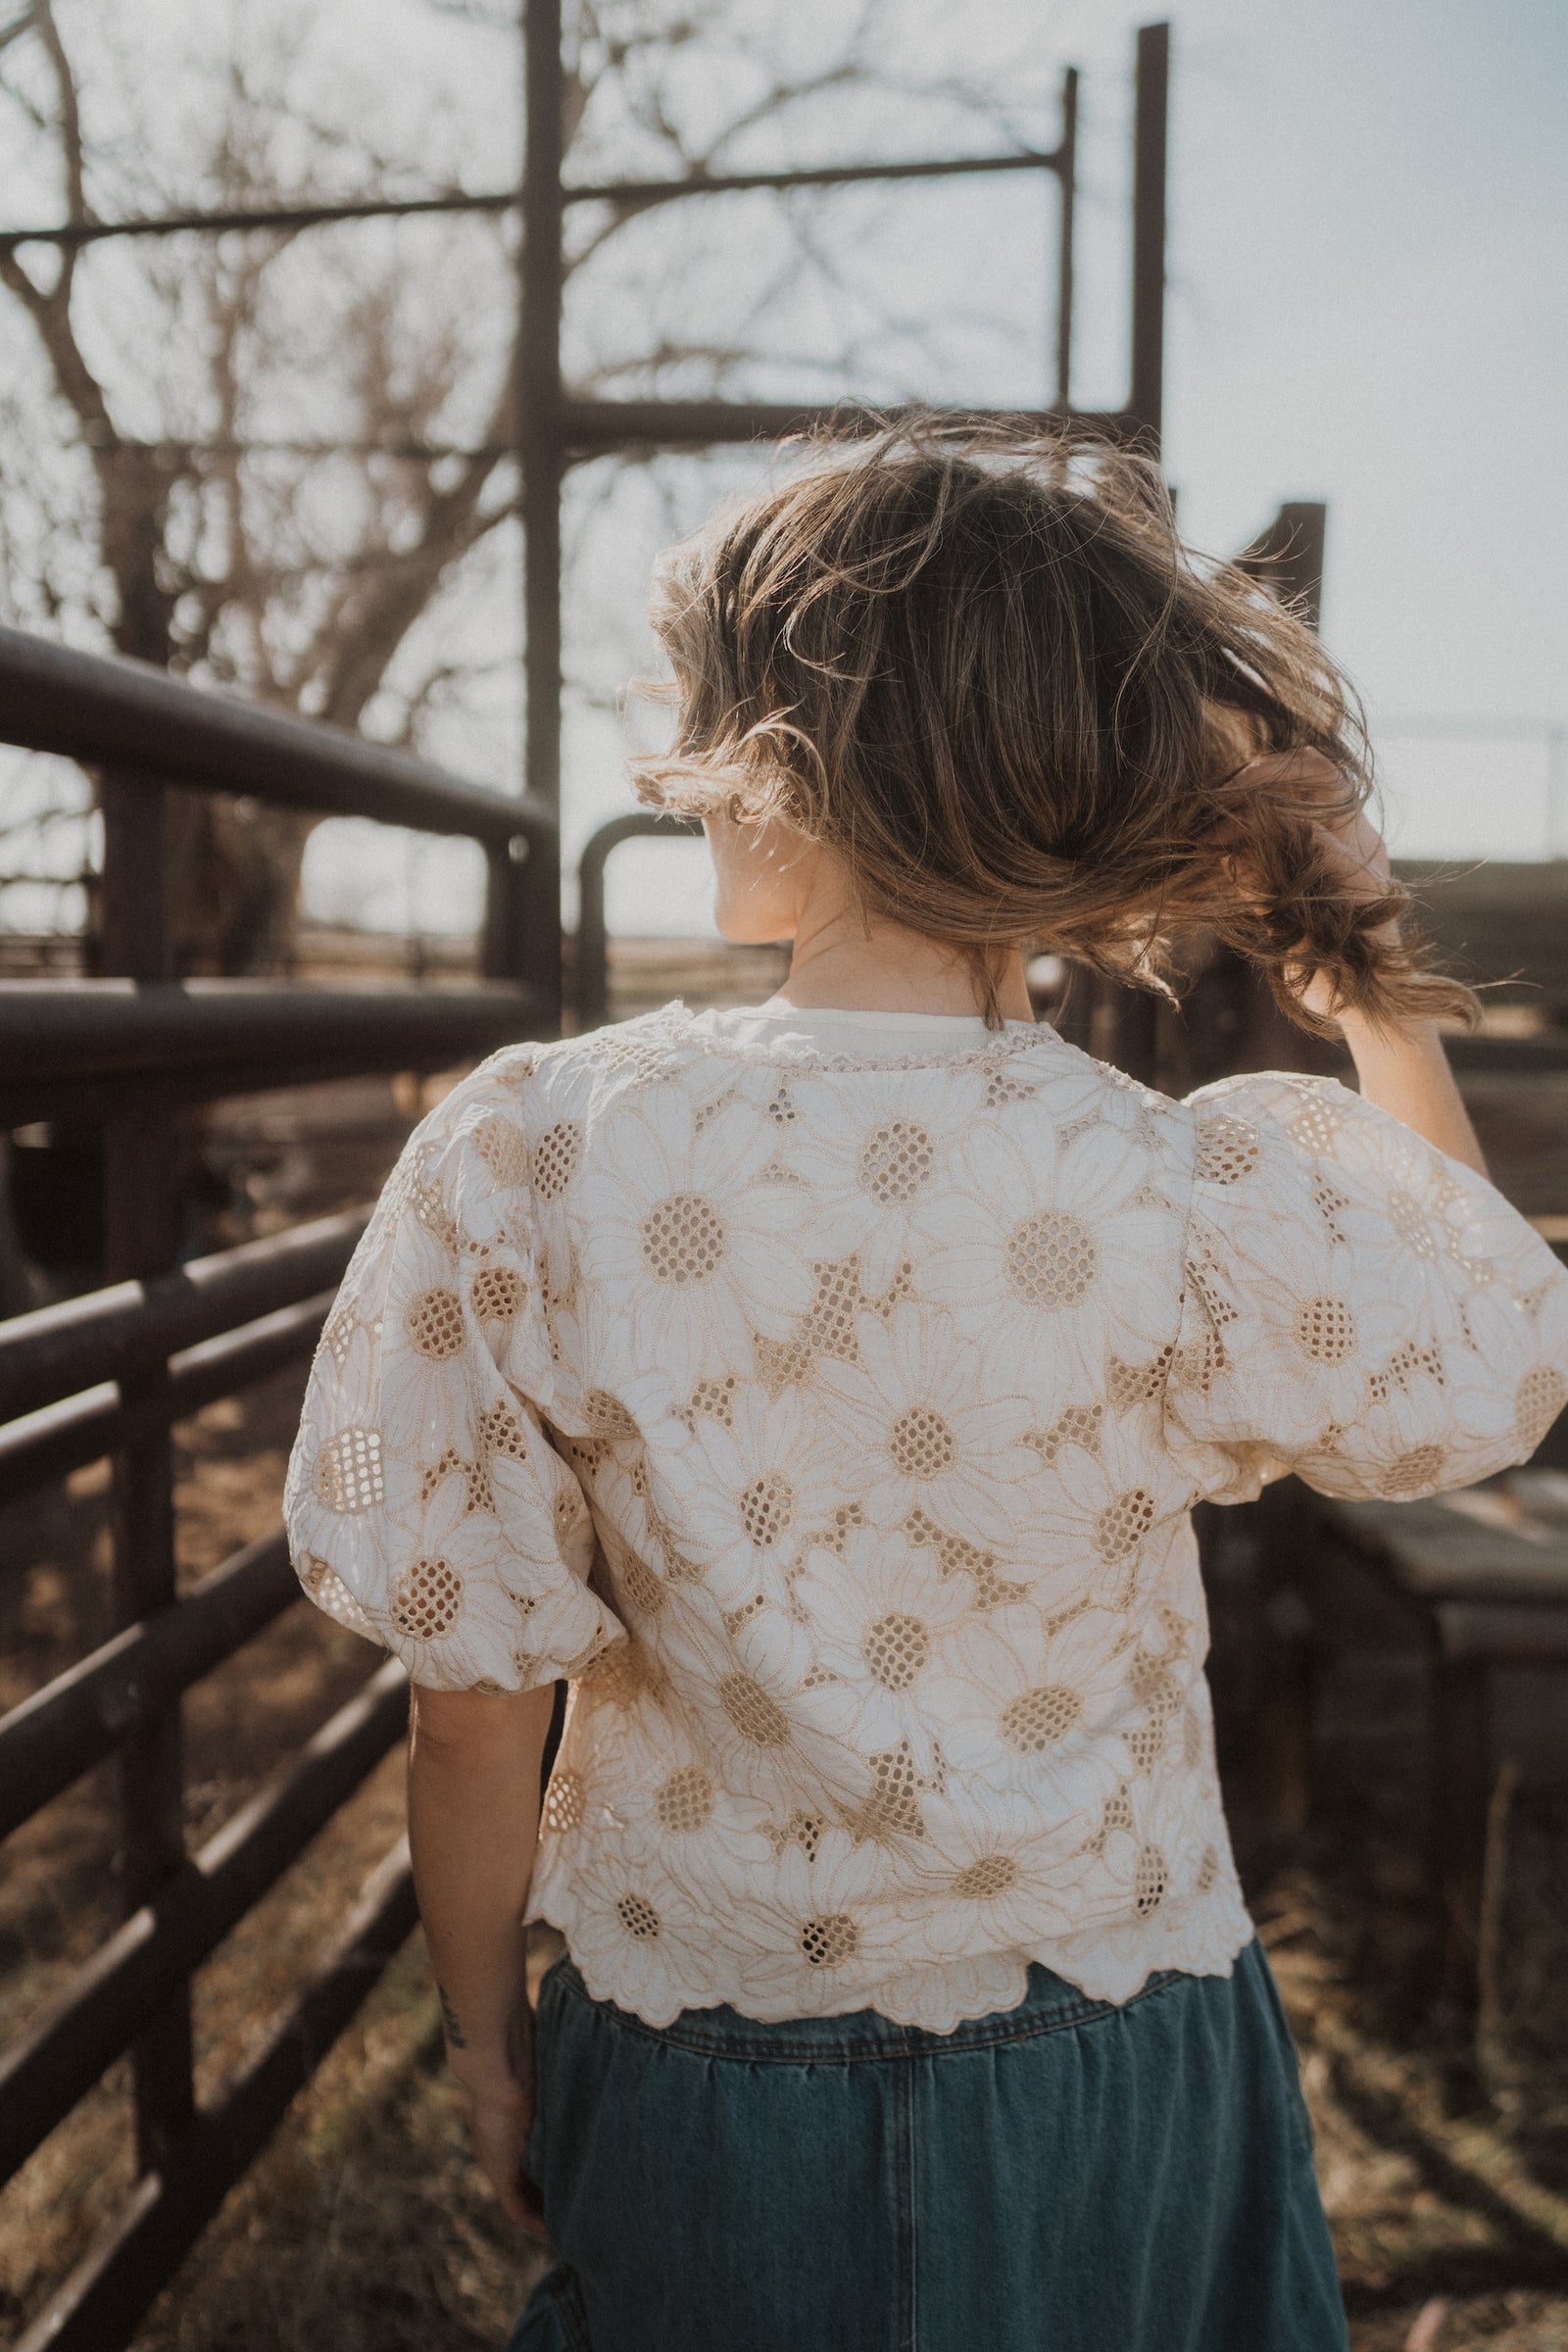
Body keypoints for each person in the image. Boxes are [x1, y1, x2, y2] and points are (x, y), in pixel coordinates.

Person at [284, 420, 1568, 2352]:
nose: (677, 776)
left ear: (800, 770)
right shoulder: (1169, 1188)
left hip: (706, 2064)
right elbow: (1490, 1345)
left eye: (709, 724)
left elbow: (477, 1714)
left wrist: (486, 2043)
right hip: (1121, 2046)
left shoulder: (535, 1154)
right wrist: (1363, 981)